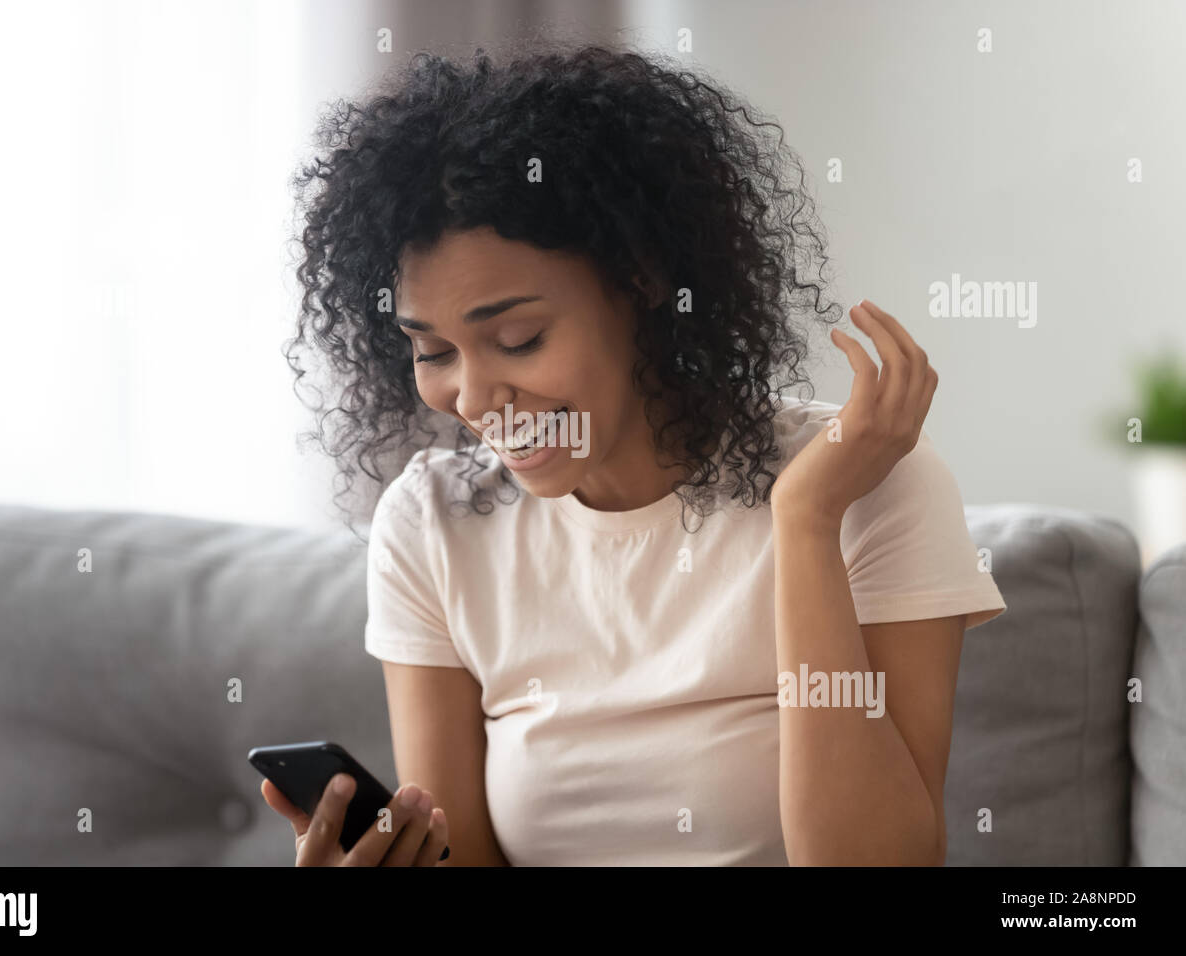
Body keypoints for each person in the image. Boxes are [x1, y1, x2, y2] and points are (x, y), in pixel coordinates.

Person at [263, 40, 1006, 866]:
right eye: (433, 352)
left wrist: (806, 521)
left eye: (519, 337)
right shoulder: (433, 523)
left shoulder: (867, 482)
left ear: (643, 282)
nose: (473, 400)